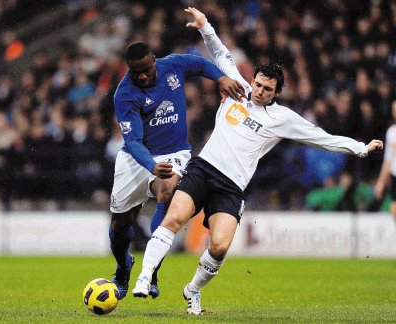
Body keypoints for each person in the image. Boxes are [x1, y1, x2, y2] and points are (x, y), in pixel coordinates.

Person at [132, 7, 384, 314]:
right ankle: (144, 278)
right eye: (259, 84)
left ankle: (192, 290)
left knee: (220, 247)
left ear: (277, 92)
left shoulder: (281, 118)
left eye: (268, 89)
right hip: (204, 168)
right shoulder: (237, 88)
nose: (260, 91)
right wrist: (205, 26)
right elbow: (220, 52)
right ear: (254, 79)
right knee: (172, 219)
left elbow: (321, 137)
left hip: (231, 186)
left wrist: (360, 148)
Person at [109, 39, 245, 301]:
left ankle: (151, 270)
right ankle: (123, 267)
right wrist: (150, 165)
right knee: (119, 225)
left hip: (174, 152)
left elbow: (200, 63)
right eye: (136, 72)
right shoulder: (125, 94)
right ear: (129, 69)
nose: (144, 75)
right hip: (137, 157)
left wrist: (220, 78)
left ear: (153, 60)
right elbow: (133, 141)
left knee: (169, 191)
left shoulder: (172, 65)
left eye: (147, 68)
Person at [375, 100, 396, 222]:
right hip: (395, 176)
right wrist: (381, 183)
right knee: (393, 209)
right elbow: (387, 161)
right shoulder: (392, 132)